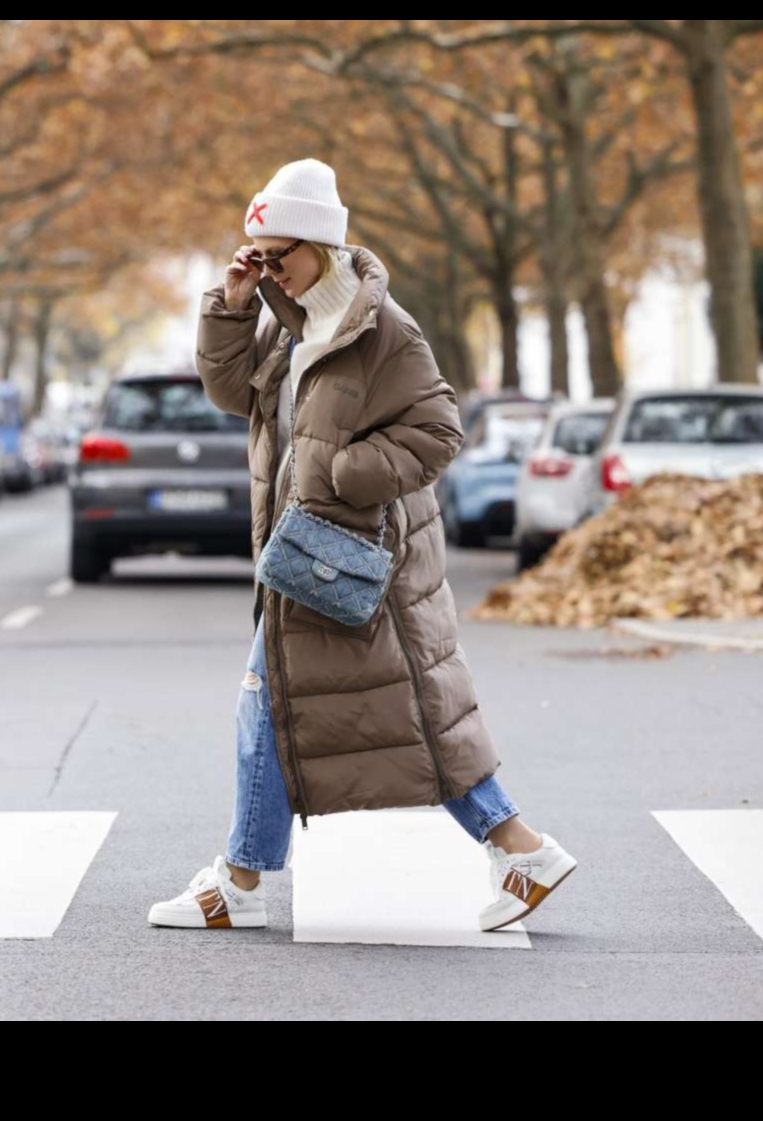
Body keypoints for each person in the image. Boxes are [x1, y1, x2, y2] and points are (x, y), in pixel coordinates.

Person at [148, 159, 577, 933]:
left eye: (279, 255)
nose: (269, 268)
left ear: (321, 242)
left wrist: (342, 474)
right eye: (260, 257)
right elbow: (233, 391)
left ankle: (240, 884)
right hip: (306, 556)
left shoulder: (381, 329)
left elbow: (440, 428)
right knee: (373, 713)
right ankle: (521, 850)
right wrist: (233, 305)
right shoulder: (294, 321)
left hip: (356, 556)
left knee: (347, 708)